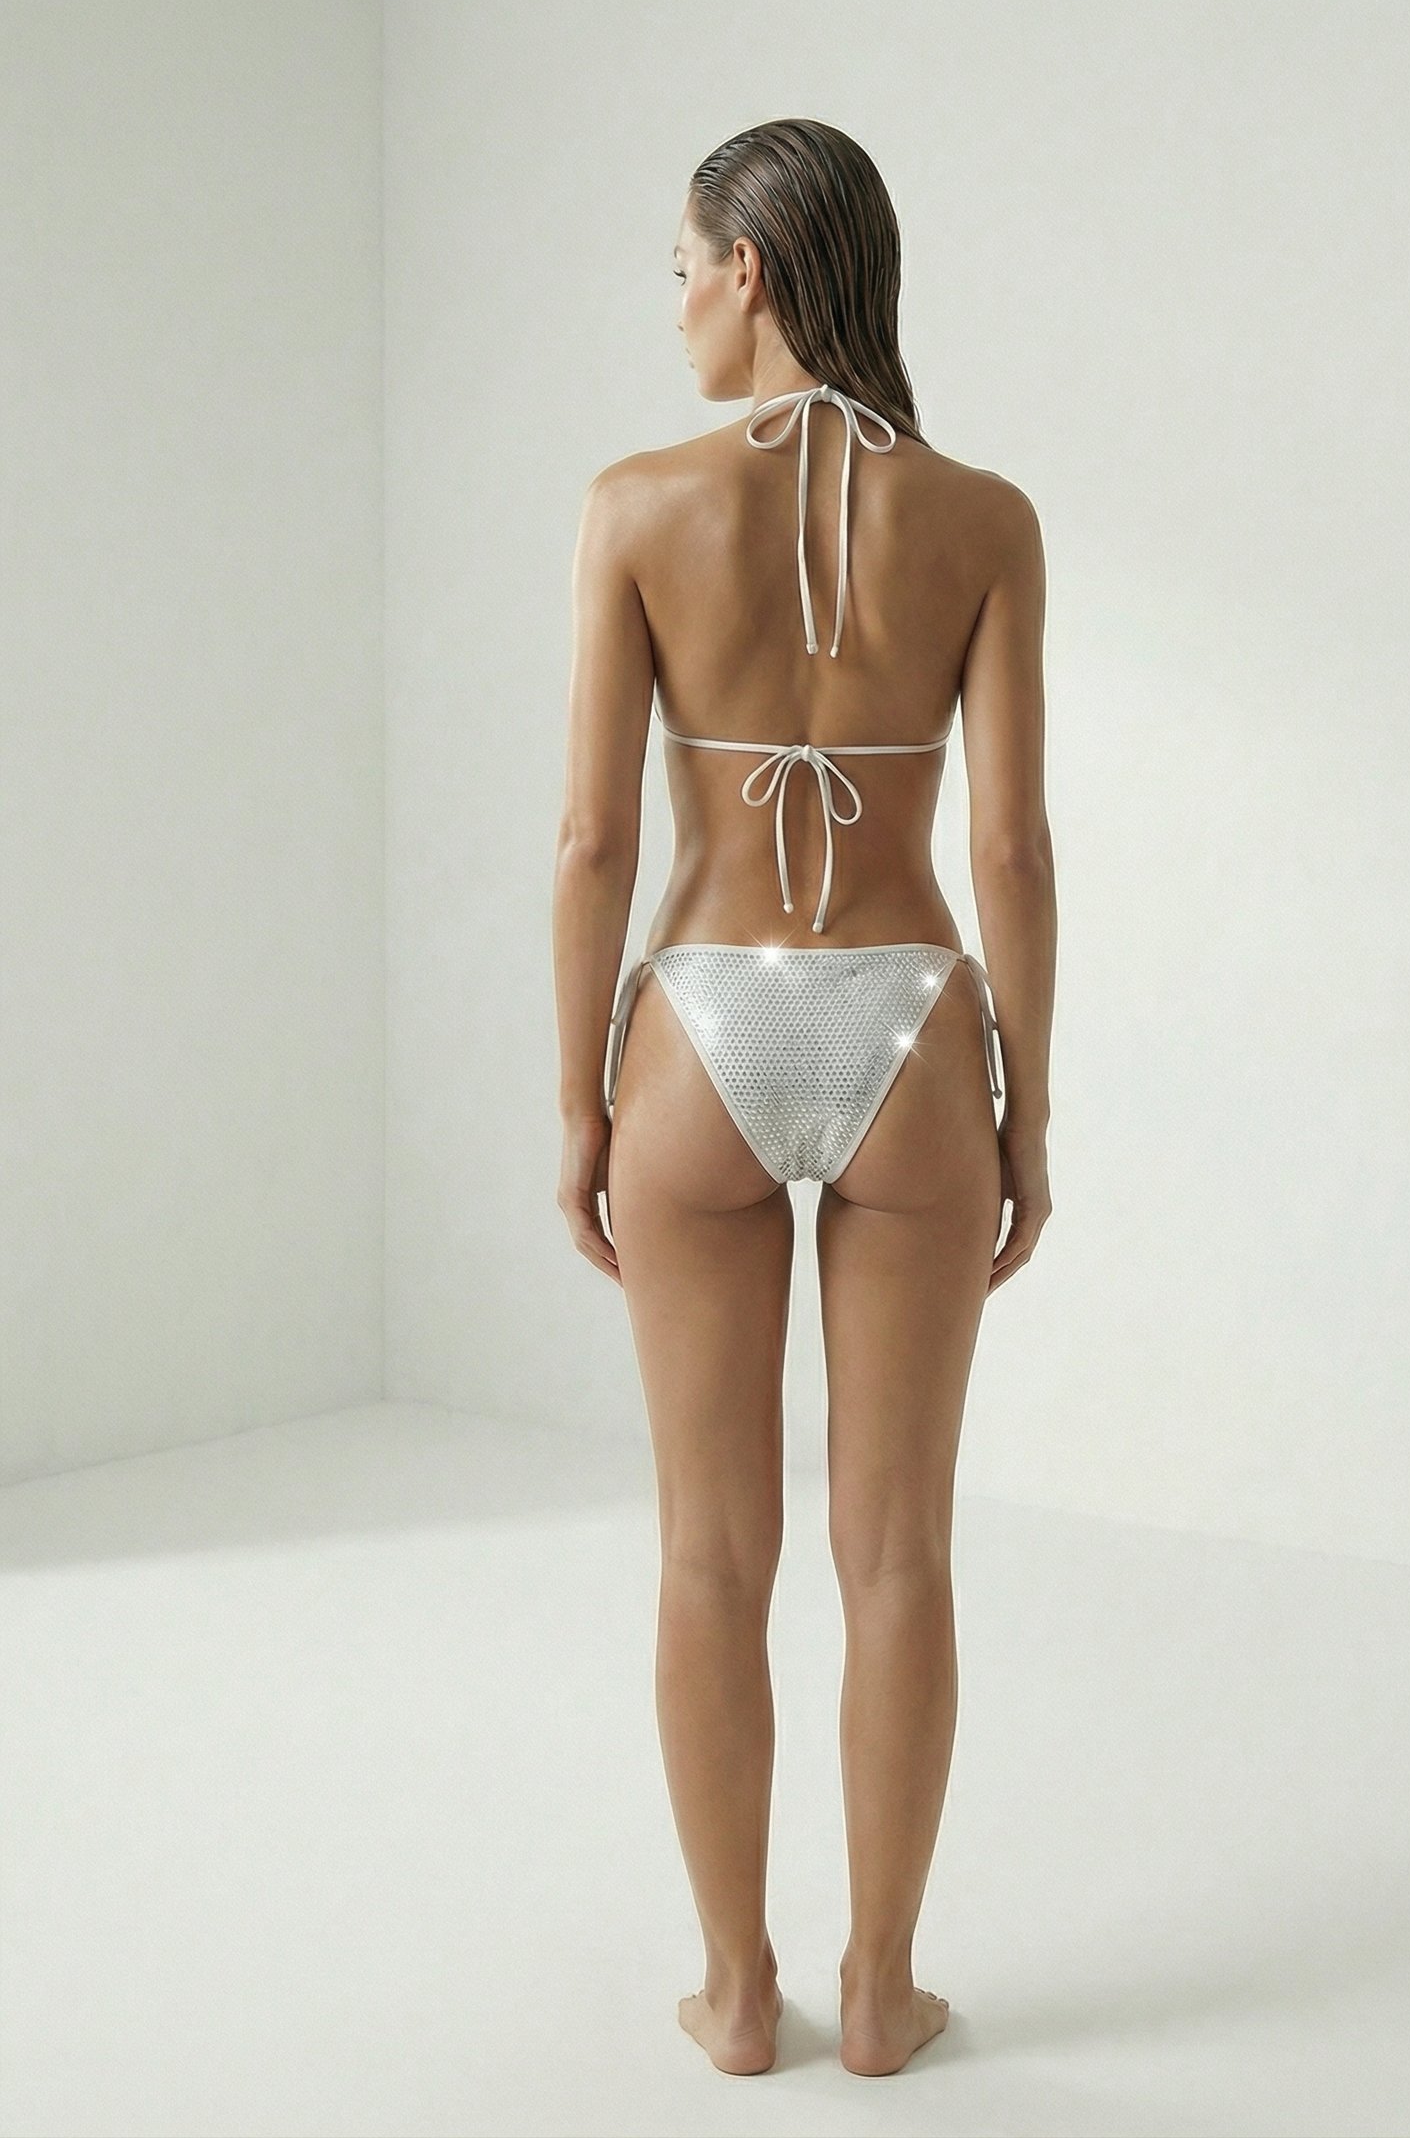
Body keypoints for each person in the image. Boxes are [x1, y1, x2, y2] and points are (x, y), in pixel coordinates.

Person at [552, 117, 1056, 2079]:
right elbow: (1005, 848)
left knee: (708, 1551)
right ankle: (885, 1990)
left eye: (683, 264)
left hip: (699, 1024)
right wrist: (1029, 1108)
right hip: (915, 1026)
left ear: (749, 269)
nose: (675, 300)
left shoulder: (634, 505)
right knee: (898, 1550)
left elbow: (596, 838)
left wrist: (577, 1103)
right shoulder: (983, 519)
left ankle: (737, 1988)